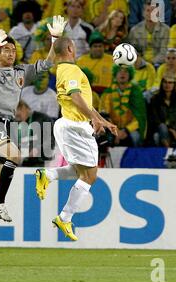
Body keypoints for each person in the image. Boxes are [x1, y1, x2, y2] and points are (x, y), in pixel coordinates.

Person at [0, 16, 60, 251]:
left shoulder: (21, 72)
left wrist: (55, 39)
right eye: (5, 50)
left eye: (13, 50)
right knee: (16, 156)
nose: (10, 53)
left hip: (6, 125)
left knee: (0, 180)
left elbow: (48, 64)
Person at [35, 36, 117, 241]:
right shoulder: (71, 70)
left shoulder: (61, 69)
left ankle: (49, 175)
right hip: (75, 127)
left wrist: (101, 120)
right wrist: (93, 119)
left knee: (81, 171)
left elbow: (83, 101)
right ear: (71, 48)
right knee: (90, 176)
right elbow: (75, 96)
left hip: (68, 124)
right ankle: (65, 217)